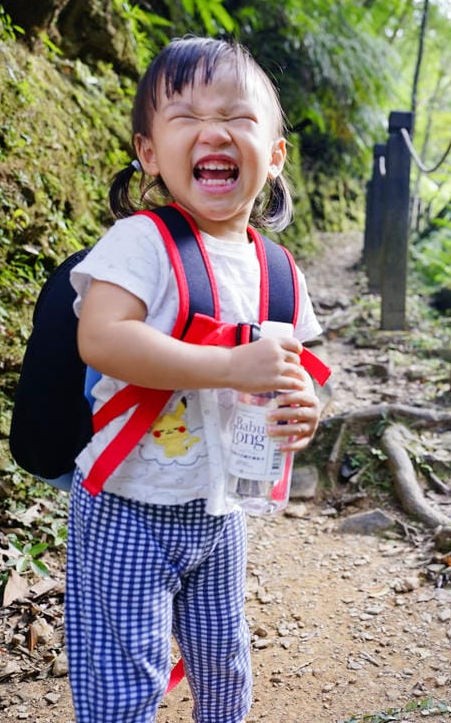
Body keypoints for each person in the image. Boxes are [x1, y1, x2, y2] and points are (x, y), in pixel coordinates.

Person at [64, 36, 324, 723]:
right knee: (125, 674)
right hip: (128, 501)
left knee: (223, 660)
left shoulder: (278, 271)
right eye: (185, 117)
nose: (213, 131)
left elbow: (292, 371)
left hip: (221, 509)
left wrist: (305, 406)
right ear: (149, 154)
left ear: (273, 156)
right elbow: (102, 336)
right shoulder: (140, 243)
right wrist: (228, 365)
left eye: (238, 116)